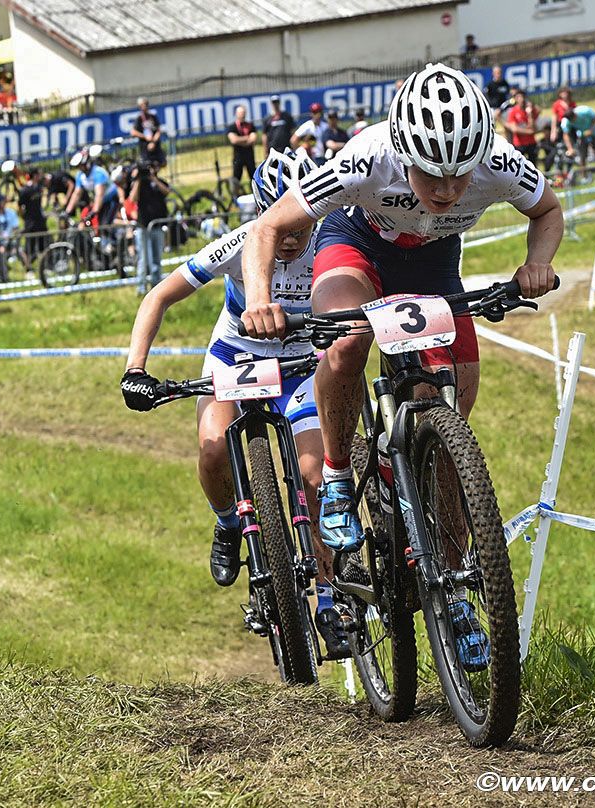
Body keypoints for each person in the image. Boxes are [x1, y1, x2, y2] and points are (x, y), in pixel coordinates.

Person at [238, 66, 560, 670]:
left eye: (459, 175)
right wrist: (260, 300)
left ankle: (457, 587)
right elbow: (270, 228)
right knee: (348, 339)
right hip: (355, 246)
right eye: (430, 174)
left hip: (433, 263)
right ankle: (336, 478)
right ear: (401, 148)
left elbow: (549, 212)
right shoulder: (367, 157)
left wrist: (535, 265)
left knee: (449, 423)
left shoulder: (499, 161)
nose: (446, 189)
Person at [120, 149, 352, 659]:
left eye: (300, 225)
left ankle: (330, 602)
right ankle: (227, 525)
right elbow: (158, 295)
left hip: (296, 370)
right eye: (280, 225)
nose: (291, 238)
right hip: (235, 363)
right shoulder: (241, 244)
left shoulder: (332, 242)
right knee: (211, 452)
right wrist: (135, 369)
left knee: (317, 480)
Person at [129, 160, 170, 295]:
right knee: (143, 259)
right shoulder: (139, 185)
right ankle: (141, 288)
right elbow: (132, 199)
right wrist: (139, 180)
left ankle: (156, 288)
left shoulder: (159, 182)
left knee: (156, 259)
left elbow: (166, 192)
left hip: (157, 225)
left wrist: (153, 178)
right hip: (143, 226)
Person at [65, 147, 119, 227]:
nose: (79, 168)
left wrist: (94, 211)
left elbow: (99, 195)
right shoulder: (80, 175)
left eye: (81, 165)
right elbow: (76, 194)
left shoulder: (98, 173)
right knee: (94, 225)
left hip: (111, 200)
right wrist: (67, 212)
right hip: (100, 202)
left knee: (105, 225)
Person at [18, 167, 50, 267]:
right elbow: (20, 207)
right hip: (30, 222)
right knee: (29, 247)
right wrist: (24, 217)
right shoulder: (25, 190)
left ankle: (45, 266)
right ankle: (28, 268)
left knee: (44, 245)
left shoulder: (39, 187)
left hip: (40, 221)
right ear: (35, 175)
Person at [562, 104, 595, 176]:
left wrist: (591, 129)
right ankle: (584, 176)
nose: (573, 122)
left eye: (573, 119)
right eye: (571, 121)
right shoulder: (566, 121)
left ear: (575, 115)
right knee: (582, 156)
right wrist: (570, 148)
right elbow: (566, 134)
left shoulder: (584, 111)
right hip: (582, 135)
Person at [227, 105, 258, 196]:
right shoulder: (232, 127)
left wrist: (240, 140)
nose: (242, 115)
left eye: (243, 113)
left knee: (253, 177)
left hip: (249, 157)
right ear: (236, 114)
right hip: (238, 157)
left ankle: (256, 195)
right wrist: (246, 139)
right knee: (236, 178)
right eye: (240, 113)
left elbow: (253, 139)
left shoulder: (250, 125)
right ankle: (235, 197)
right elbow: (233, 140)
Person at [506, 89, 539, 165]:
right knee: (519, 165)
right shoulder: (513, 112)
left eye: (523, 97)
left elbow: (533, 127)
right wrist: (529, 132)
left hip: (531, 142)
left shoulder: (530, 110)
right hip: (519, 143)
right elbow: (514, 129)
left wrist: (530, 114)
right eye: (519, 97)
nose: (521, 99)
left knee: (533, 165)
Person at [131, 98, 166, 168]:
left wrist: (153, 141)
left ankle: (154, 176)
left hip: (155, 145)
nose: (145, 107)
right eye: (143, 105)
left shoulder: (153, 117)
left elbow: (158, 130)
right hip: (145, 147)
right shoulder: (139, 118)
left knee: (162, 162)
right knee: (147, 165)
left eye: (146, 105)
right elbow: (133, 132)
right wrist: (145, 137)